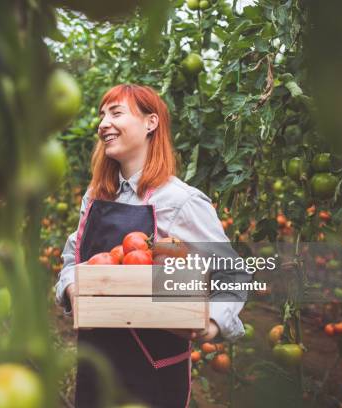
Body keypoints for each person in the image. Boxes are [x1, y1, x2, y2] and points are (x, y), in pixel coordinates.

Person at [54, 84, 251, 407]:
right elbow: (71, 259)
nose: (103, 123)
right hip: (95, 365)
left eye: (116, 113)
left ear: (151, 123)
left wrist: (212, 323)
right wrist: (72, 287)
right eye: (102, 115)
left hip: (151, 371)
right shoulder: (96, 196)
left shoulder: (179, 200)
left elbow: (233, 273)